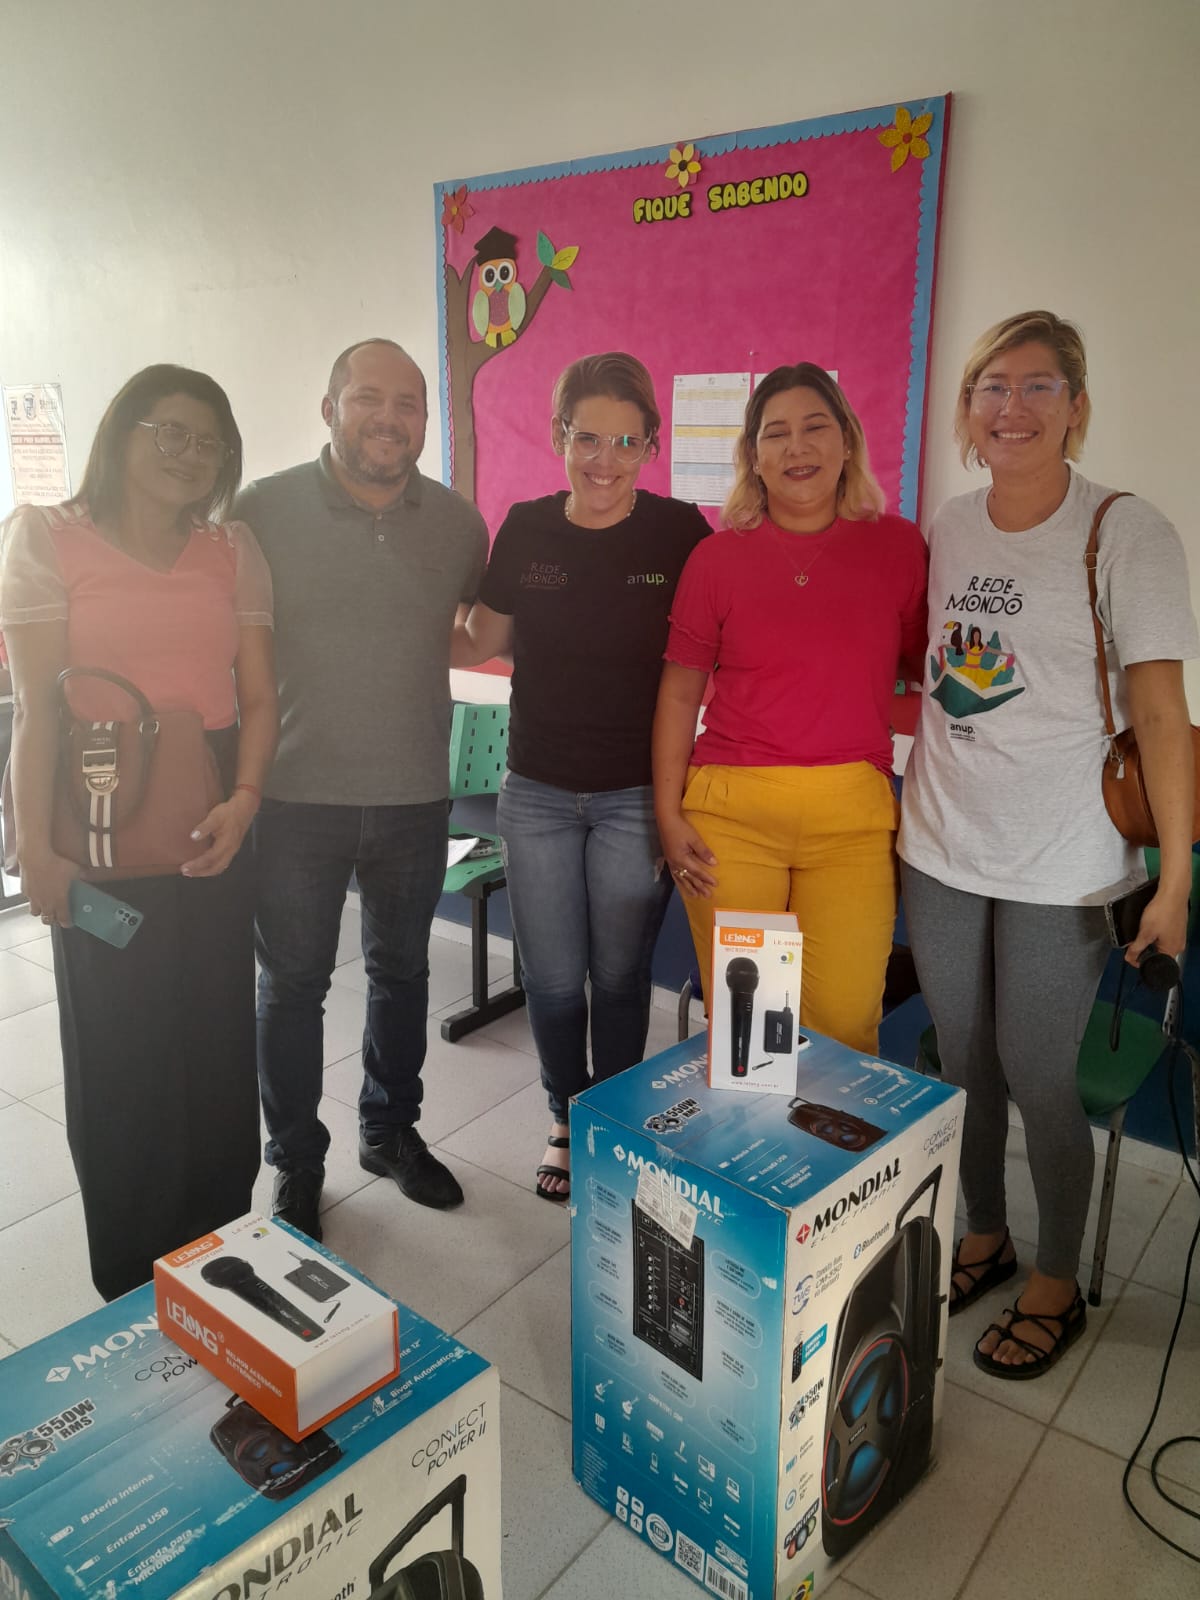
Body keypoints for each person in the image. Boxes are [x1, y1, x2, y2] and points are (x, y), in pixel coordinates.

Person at [898, 310, 1197, 1378]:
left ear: (1075, 406)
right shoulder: (949, 524)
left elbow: (1162, 717)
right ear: (968, 409)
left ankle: (1057, 1277)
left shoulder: (1126, 530)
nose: (1011, 407)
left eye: (1036, 386)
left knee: (1036, 1071)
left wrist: (1175, 879)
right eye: (991, 386)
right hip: (939, 844)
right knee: (963, 1060)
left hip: (1062, 865)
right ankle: (985, 1233)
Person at [0, 364, 277, 1300]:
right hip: (98, 832)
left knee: (215, 1040)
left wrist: (246, 799)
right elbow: (36, 711)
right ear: (121, 433)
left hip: (209, 827)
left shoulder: (230, 548)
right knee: (120, 1053)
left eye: (209, 441)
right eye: (169, 432)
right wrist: (37, 851)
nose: (189, 454)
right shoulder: (47, 537)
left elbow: (259, 696)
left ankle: (219, 1248)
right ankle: (131, 1274)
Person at [238, 339, 487, 1241]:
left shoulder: (459, 525)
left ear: (425, 420)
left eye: (408, 404)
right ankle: (296, 1162)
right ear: (330, 406)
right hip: (294, 796)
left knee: (402, 973)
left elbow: (470, 629)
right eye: (368, 398)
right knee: (293, 986)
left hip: (414, 794)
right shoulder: (260, 510)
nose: (389, 418)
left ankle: (388, 1132)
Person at [452, 352, 709, 1200]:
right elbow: (481, 638)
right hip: (536, 791)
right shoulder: (527, 528)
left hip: (637, 795)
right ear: (560, 435)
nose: (605, 460)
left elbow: (724, 638)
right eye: (587, 438)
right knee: (555, 978)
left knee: (620, 975)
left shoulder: (679, 533)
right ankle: (566, 1117)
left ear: (651, 445)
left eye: (626, 441)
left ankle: (615, 1119)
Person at [653, 363, 928, 1054]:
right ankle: (754, 1131)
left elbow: (925, 669)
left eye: (815, 427)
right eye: (775, 433)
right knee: (752, 1036)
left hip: (852, 823)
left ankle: (826, 1133)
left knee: (847, 1026)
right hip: (731, 817)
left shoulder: (898, 547)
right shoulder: (715, 559)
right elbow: (680, 693)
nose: (796, 448)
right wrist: (667, 814)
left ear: (847, 442)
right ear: (753, 455)